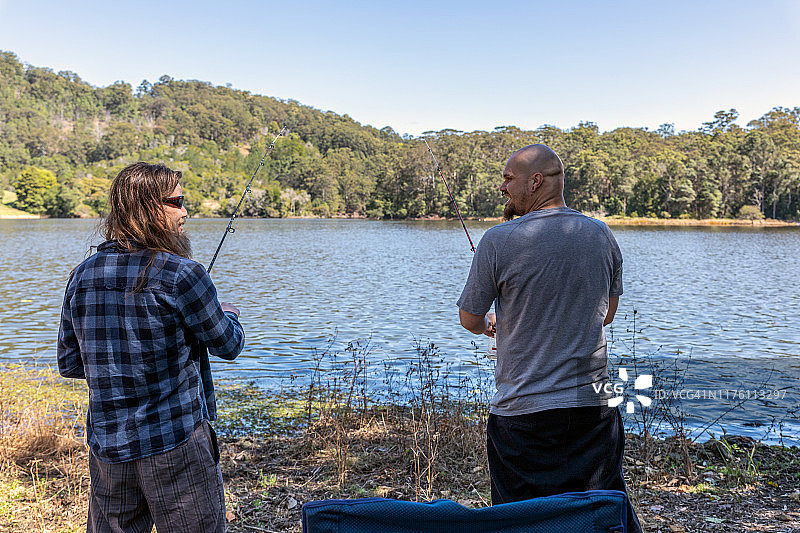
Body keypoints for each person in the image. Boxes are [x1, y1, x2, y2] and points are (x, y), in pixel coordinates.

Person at [457, 145, 642, 531]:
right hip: (592, 413)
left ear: (535, 180)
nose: (502, 186)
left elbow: (470, 317)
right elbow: (605, 315)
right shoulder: (600, 234)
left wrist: (492, 324)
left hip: (522, 416)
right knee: (597, 516)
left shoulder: (497, 240)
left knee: (522, 522)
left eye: (508, 178)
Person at [57, 162, 245, 533]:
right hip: (176, 444)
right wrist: (230, 314)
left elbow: (69, 362)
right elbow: (228, 343)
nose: (185, 212)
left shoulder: (83, 274)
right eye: (178, 201)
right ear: (150, 209)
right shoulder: (185, 274)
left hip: (110, 447)